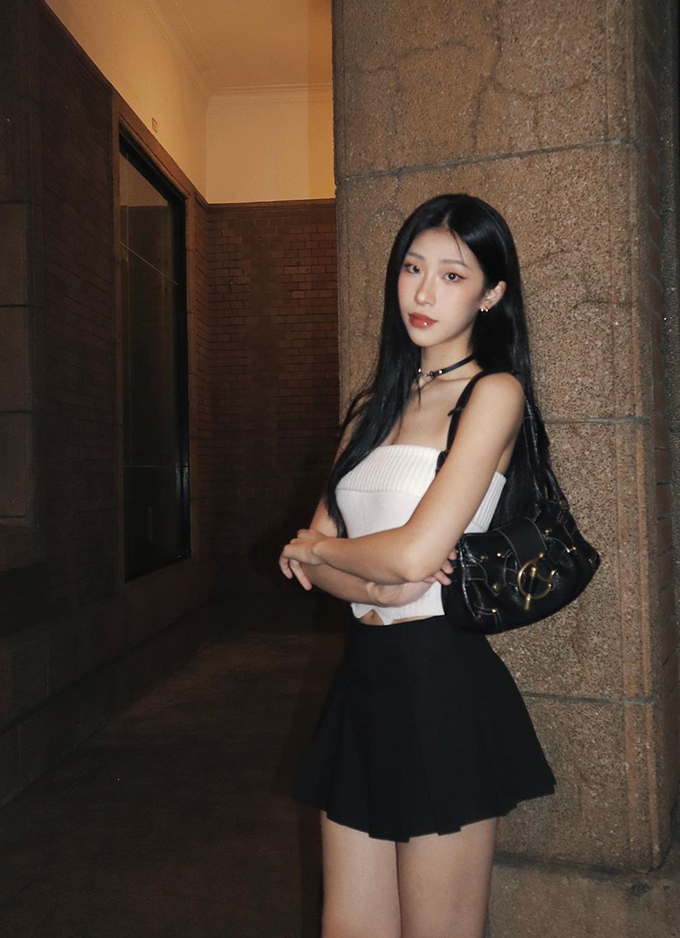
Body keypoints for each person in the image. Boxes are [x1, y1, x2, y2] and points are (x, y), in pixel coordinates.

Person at [278, 193, 557, 938]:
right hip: (364, 679)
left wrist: (327, 553)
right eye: (412, 268)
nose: (424, 293)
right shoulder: (371, 404)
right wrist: (368, 575)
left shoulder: (495, 395)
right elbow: (335, 563)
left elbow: (407, 554)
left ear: (491, 294)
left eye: (452, 275)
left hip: (442, 682)